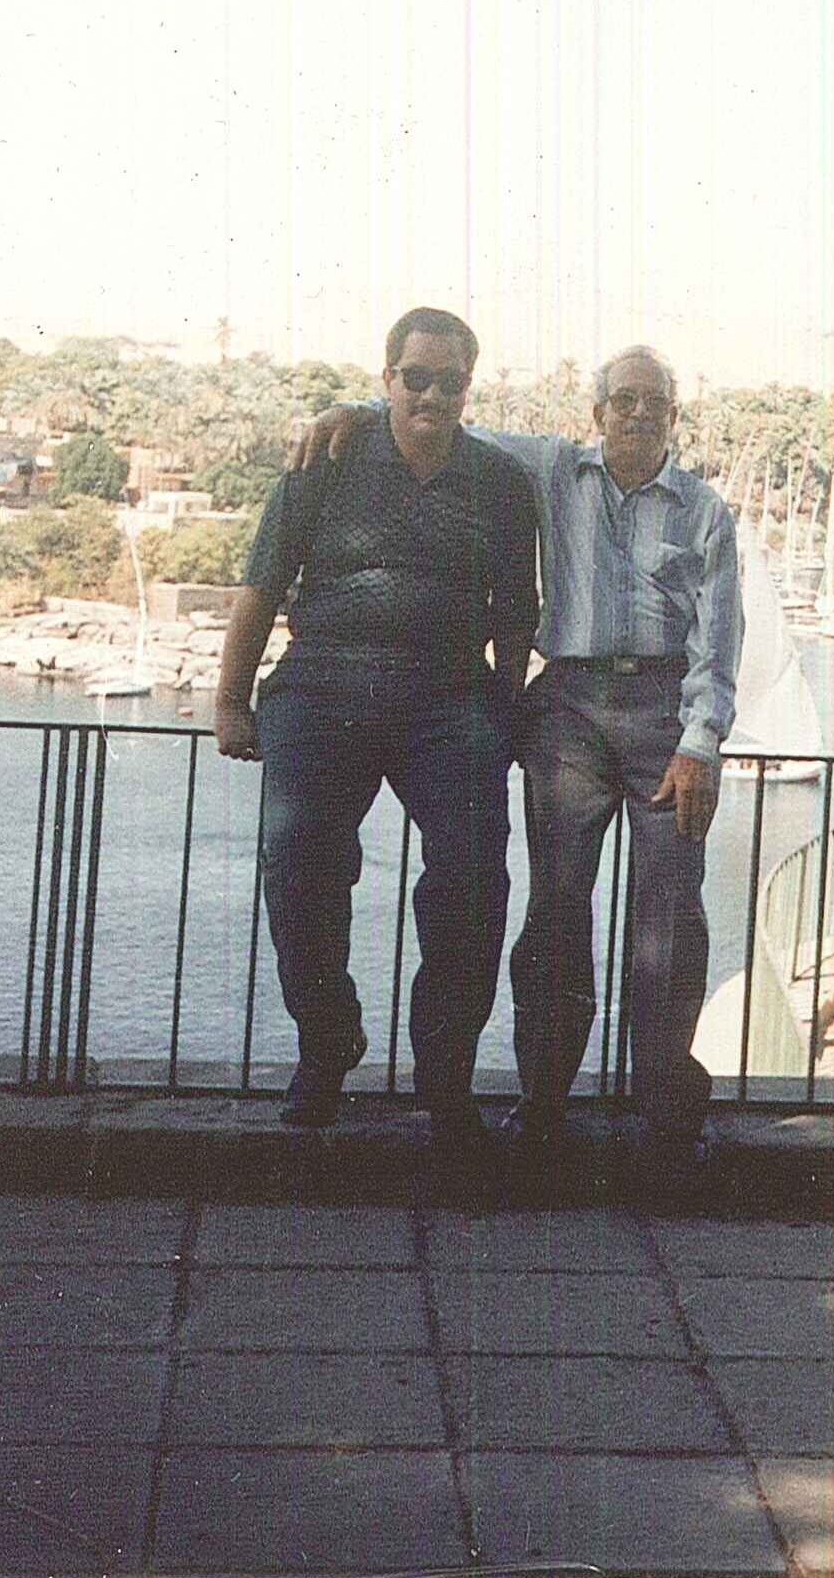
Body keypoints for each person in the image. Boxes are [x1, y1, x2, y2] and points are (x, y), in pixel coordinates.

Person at [295, 344, 743, 1189]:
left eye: (653, 401)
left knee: (669, 917)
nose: (637, 413)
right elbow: (441, 416)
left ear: (673, 416)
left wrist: (700, 740)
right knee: (556, 909)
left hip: (663, 714)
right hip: (568, 706)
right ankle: (542, 1103)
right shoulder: (552, 469)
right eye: (623, 399)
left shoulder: (703, 510)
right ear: (597, 411)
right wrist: (357, 410)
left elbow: (718, 637)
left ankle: (666, 1113)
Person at [215, 307, 539, 1148]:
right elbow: (261, 584)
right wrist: (230, 700)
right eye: (415, 377)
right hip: (324, 684)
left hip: (449, 697)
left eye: (449, 380)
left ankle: (444, 1069)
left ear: (469, 385)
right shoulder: (325, 461)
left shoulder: (502, 481)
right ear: (387, 378)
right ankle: (327, 1041)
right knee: (297, 859)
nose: (432, 394)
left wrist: (504, 710)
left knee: (473, 873)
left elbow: (515, 612)